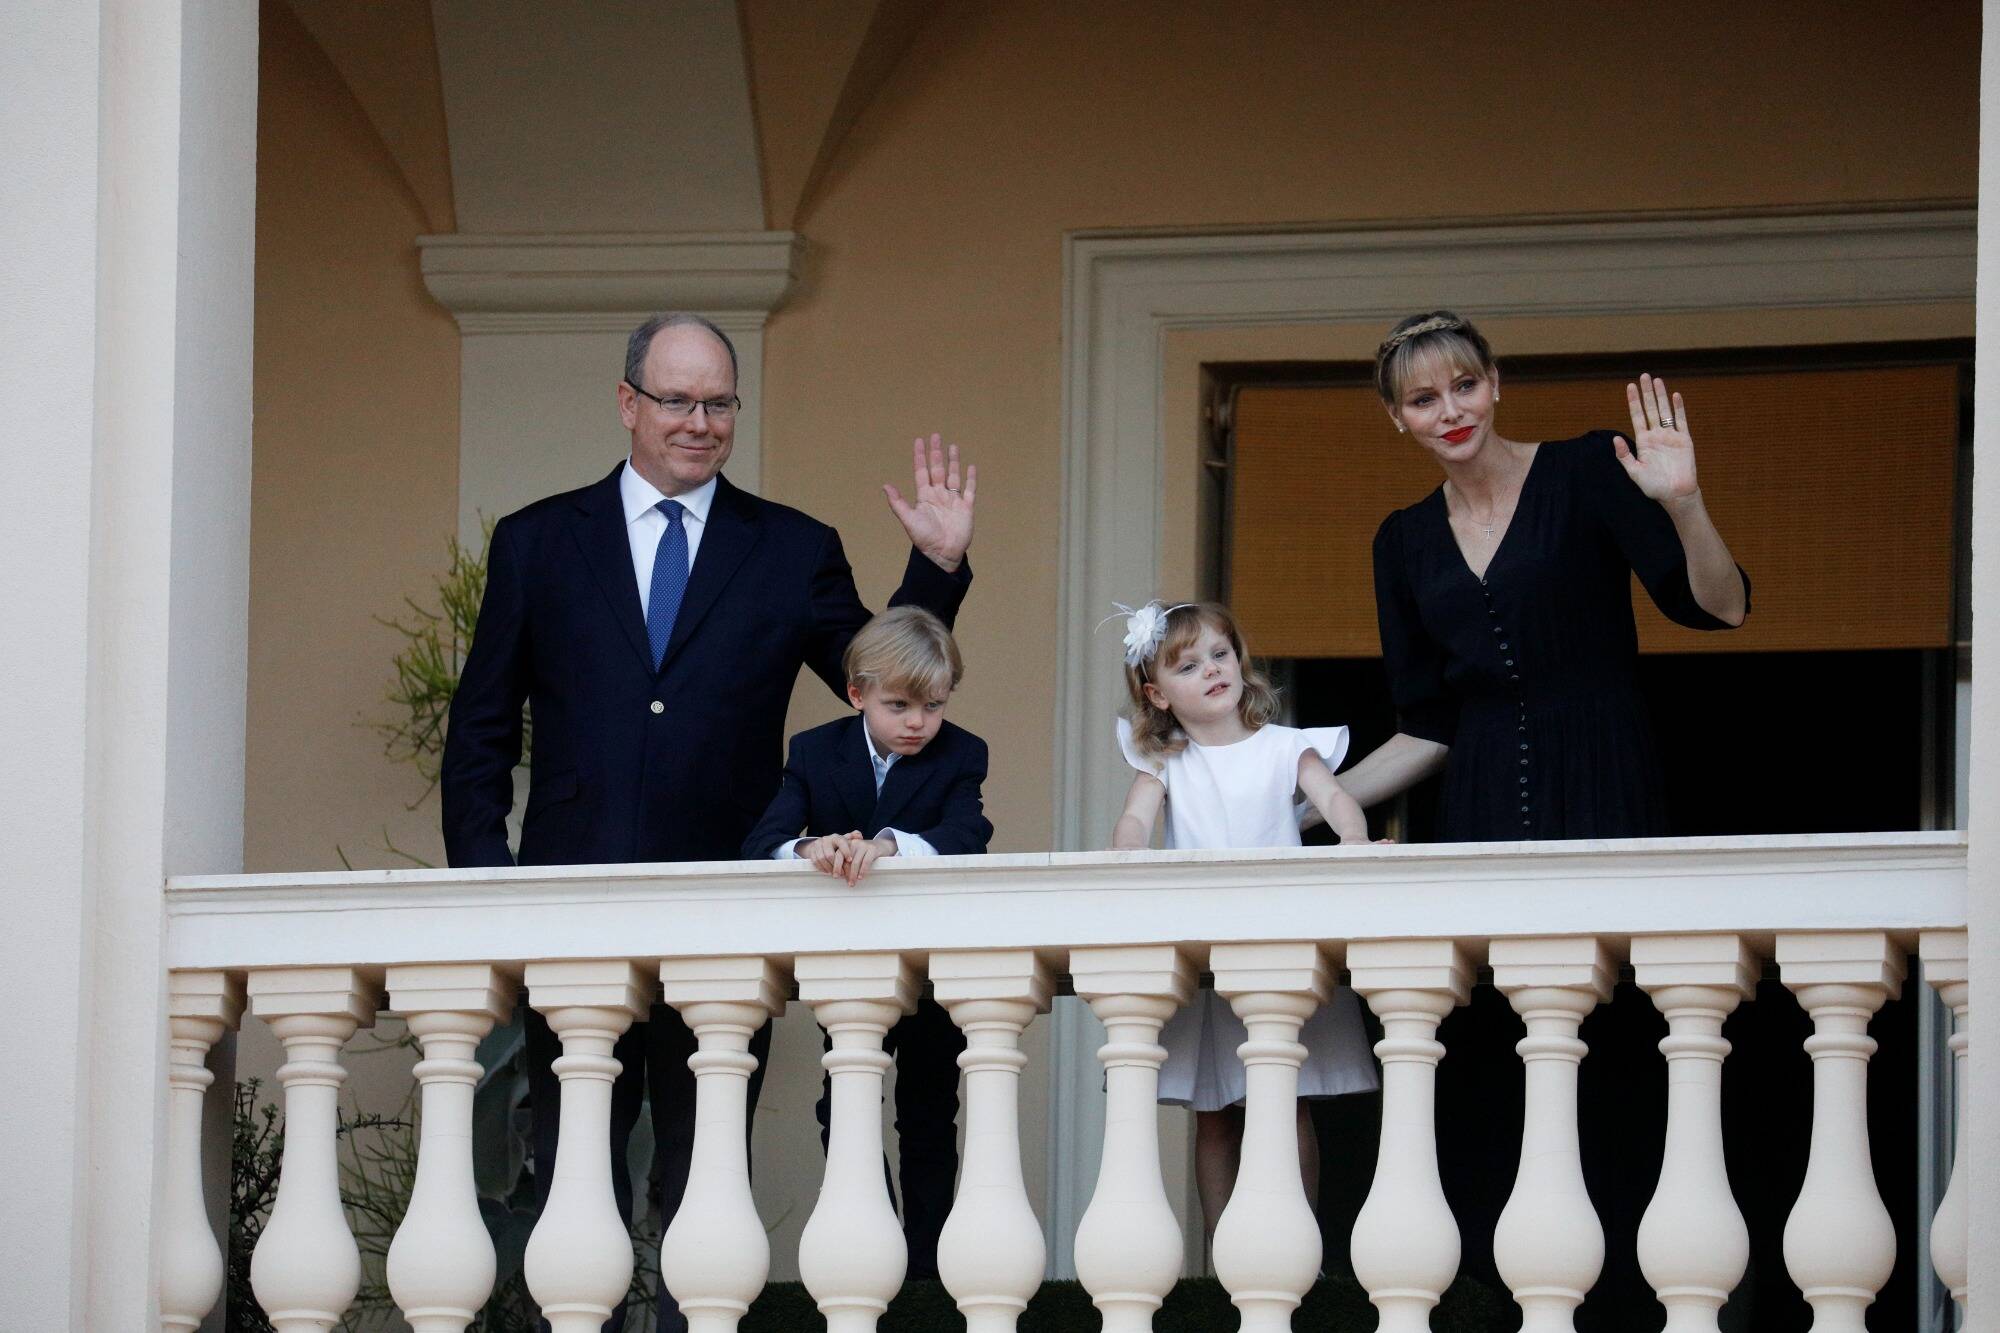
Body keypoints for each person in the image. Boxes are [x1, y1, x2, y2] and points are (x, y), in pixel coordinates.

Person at [440, 312, 979, 1332]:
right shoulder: (537, 541)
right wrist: (487, 890)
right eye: (677, 399)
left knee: (703, 1182)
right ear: (627, 403)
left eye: (718, 402)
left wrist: (935, 572)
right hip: (568, 910)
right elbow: (476, 735)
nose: (698, 421)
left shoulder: (791, 548)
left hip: (726, 908)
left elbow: (881, 684)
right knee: (573, 1180)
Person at [1336, 310, 1750, 1322]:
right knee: (1488, 1059)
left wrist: (1685, 505)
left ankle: (1631, 1301)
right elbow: (1425, 721)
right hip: (1473, 806)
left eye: (1462, 386)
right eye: (1423, 398)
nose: (1449, 411)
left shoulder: (1582, 473)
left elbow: (1719, 606)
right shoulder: (1399, 540)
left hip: (1602, 781)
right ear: (1396, 418)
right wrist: (1314, 796)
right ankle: (1509, 1296)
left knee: (1610, 1045)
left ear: (1494, 382)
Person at [1107, 599, 1381, 1243]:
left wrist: (1354, 842)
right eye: (1188, 665)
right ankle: (1225, 1249)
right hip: (1207, 947)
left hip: (1278, 938)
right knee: (1215, 1112)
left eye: (1220, 654)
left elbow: (1338, 799)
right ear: (1158, 694)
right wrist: (1123, 861)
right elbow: (1134, 824)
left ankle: (1296, 1241)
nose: (1211, 670)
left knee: (1286, 1101)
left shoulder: (1287, 748)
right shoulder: (1164, 762)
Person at [742, 605, 991, 1278]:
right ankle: (876, 1244)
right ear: (857, 694)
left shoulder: (961, 752)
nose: (918, 721)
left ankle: (927, 1266)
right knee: (844, 1103)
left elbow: (969, 834)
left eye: (933, 705)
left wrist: (890, 846)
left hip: (933, 966)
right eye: (899, 704)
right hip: (849, 973)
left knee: (930, 1108)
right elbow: (763, 838)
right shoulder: (816, 751)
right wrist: (810, 847)